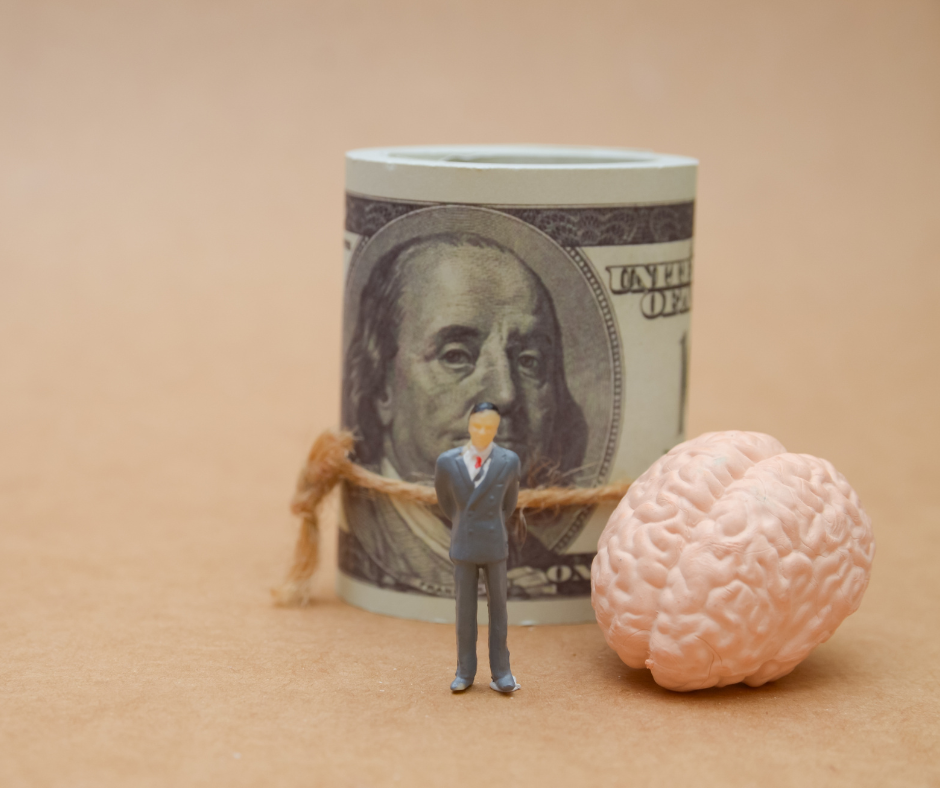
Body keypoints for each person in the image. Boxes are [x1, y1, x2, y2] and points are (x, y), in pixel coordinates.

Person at [339, 231, 589, 596]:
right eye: (456, 355)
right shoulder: (370, 542)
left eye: (529, 361)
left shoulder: (540, 561)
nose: (505, 393)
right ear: (382, 386)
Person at [435, 403, 520, 693]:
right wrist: (463, 521)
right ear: (469, 425)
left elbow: (508, 504)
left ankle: (502, 672)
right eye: (478, 426)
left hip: (495, 544)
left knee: (499, 611)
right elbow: (446, 504)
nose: (483, 432)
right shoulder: (447, 461)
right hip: (464, 544)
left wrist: (491, 523)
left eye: (490, 427)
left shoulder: (509, 460)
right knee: (465, 613)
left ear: (497, 429)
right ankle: (465, 672)